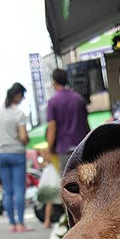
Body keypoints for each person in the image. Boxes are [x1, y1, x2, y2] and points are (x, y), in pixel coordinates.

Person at [45, 68, 90, 228]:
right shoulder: (79, 99)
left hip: (63, 148)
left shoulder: (53, 102)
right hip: (81, 146)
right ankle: (85, 217)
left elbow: (52, 127)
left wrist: (49, 149)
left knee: (67, 187)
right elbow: (86, 124)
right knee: (84, 184)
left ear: (54, 82)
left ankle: (72, 222)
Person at [0, 83, 31, 232]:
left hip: (1, 153)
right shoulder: (18, 114)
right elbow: (22, 136)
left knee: (7, 190)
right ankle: (21, 223)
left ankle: (12, 224)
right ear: (18, 95)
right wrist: (26, 139)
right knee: (19, 189)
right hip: (17, 153)